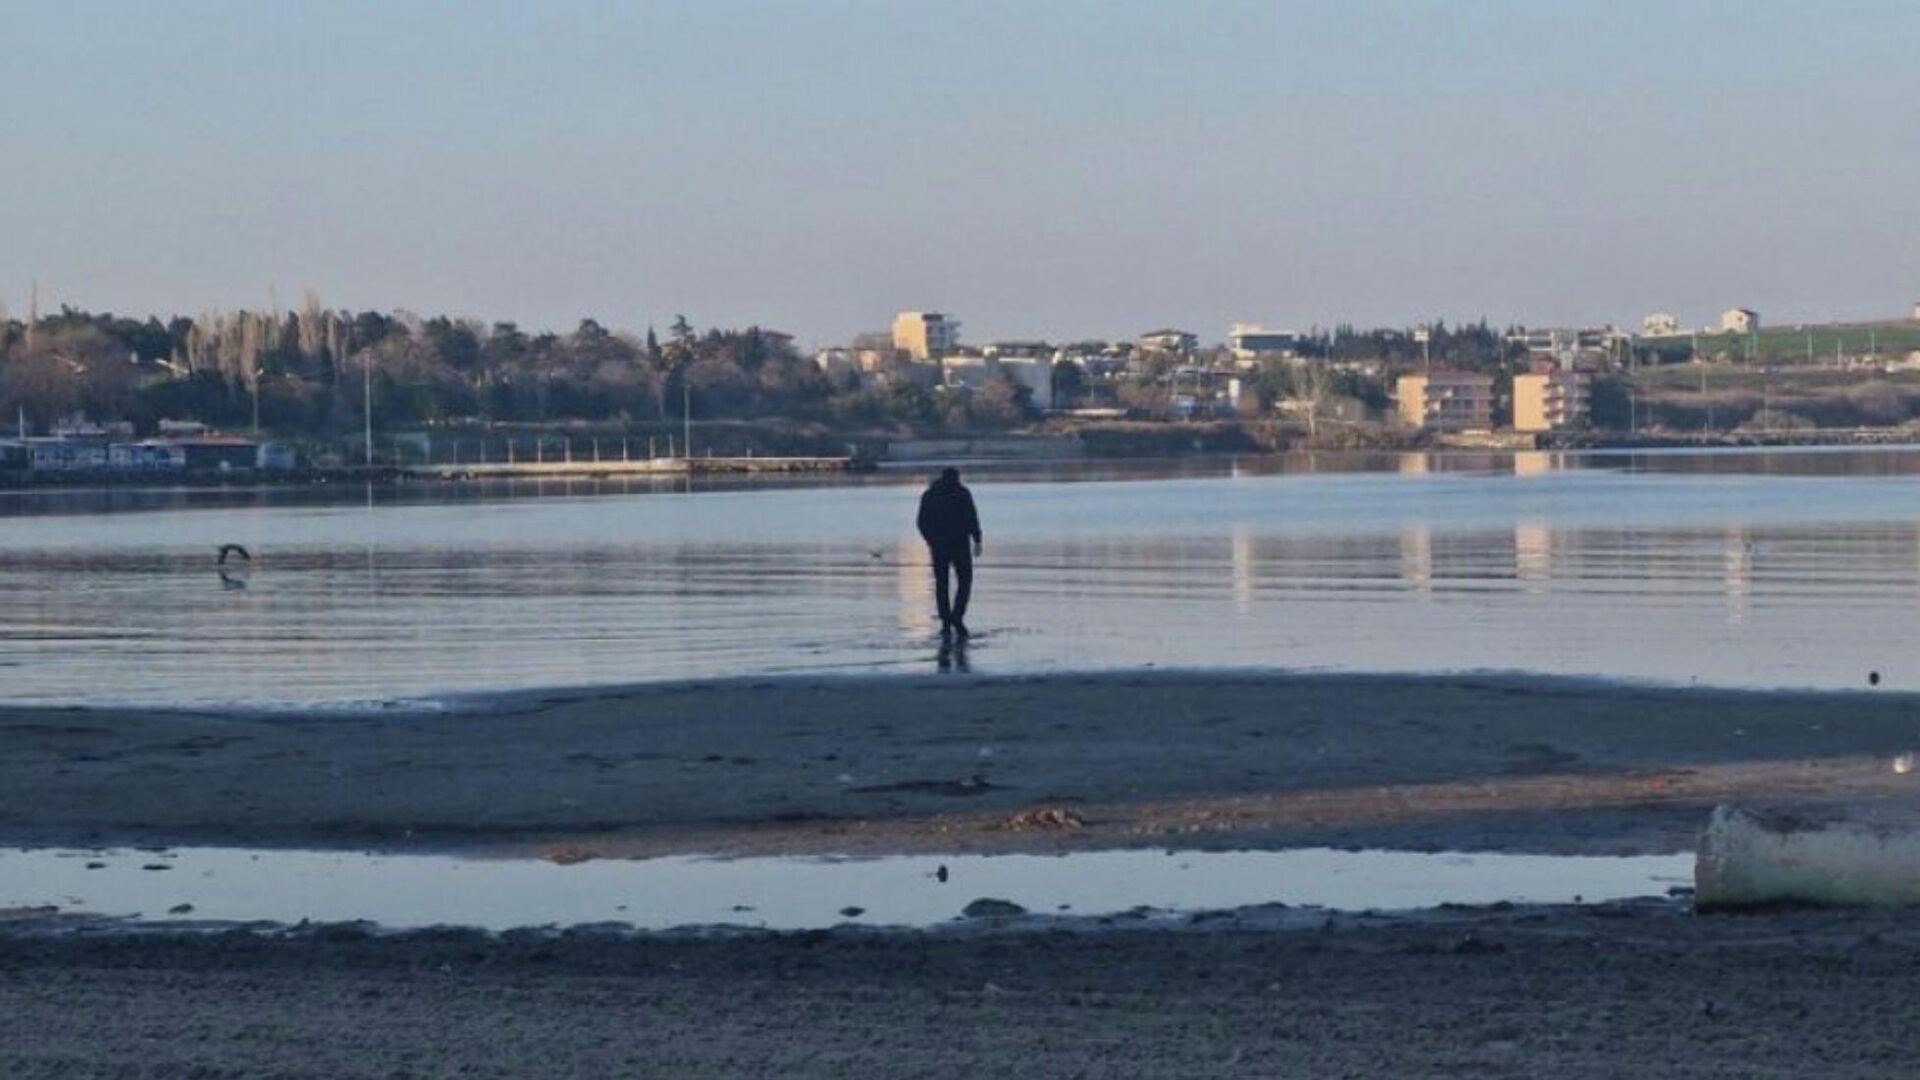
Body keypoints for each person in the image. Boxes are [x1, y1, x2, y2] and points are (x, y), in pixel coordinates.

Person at [916, 467, 982, 638]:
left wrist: (930, 539)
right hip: (958, 544)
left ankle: (947, 619)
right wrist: (977, 539)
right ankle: (956, 616)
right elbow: (971, 517)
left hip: (941, 546)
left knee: (942, 584)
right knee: (964, 581)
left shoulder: (931, 495)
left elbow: (922, 521)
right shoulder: (961, 493)